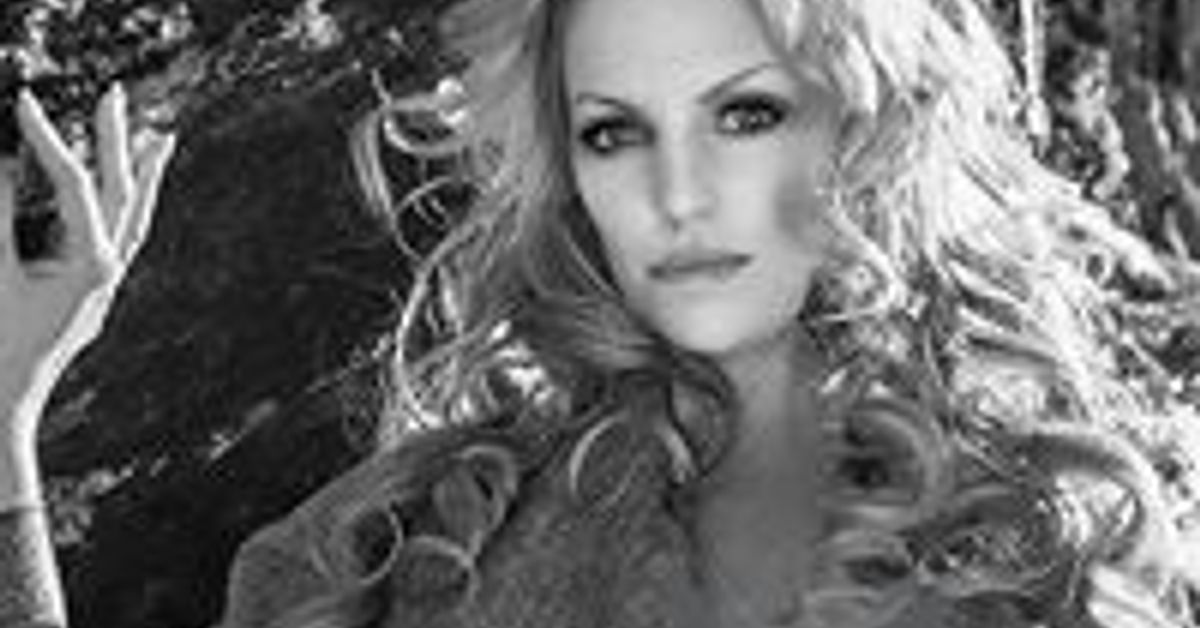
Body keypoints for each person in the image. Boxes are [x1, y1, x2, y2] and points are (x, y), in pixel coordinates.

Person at [2, 0, 1198, 626]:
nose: (677, 194)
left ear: (865, 120)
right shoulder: (424, 539)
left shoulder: (1049, 539)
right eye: (615, 132)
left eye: (744, 114)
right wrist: (7, 423)